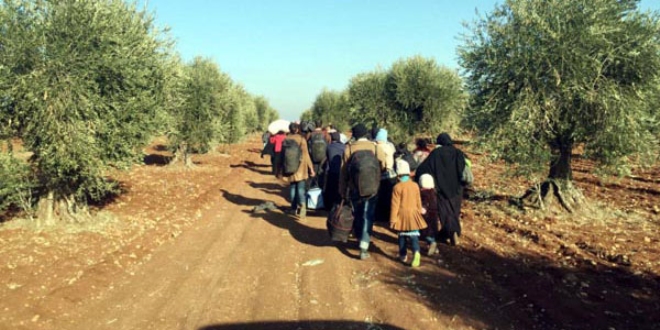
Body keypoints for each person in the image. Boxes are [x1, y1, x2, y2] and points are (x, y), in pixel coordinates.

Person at [339, 123, 387, 260]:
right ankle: (364, 244)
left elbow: (343, 172)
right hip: (372, 187)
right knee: (368, 214)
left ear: (354, 135)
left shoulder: (349, 148)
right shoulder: (375, 147)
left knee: (358, 212)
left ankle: (359, 236)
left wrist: (342, 189)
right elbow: (383, 164)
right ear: (366, 133)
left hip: (355, 187)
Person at [415, 133, 467, 246]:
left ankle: (450, 232)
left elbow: (424, 167)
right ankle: (453, 232)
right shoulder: (458, 153)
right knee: (454, 212)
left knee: (444, 211)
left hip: (441, 187)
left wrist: (419, 179)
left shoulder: (436, 153)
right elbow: (462, 169)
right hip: (457, 188)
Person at [390, 159, 427, 267]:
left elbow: (394, 205)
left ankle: (403, 255)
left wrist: (393, 219)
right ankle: (416, 252)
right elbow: (418, 200)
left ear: (398, 174)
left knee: (402, 236)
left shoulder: (397, 187)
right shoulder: (415, 185)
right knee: (414, 236)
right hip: (414, 214)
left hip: (402, 215)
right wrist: (420, 209)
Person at [284, 123, 315, 218]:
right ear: (297, 129)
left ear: (289, 130)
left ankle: (293, 209)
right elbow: (306, 155)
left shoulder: (286, 139)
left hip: (290, 167)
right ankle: (303, 208)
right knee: (301, 189)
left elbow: (282, 156)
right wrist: (311, 169)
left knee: (293, 188)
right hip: (301, 168)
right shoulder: (302, 139)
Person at [374, 128, 397, 223]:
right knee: (388, 197)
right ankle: (387, 216)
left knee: (379, 196)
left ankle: (378, 216)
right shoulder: (389, 146)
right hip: (390, 174)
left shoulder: (376, 146)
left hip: (379, 174)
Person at [419, 174, 440, 255]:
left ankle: (432, 243)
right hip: (434, 216)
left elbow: (424, 205)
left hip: (426, 217)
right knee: (432, 232)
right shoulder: (434, 193)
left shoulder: (423, 194)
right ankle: (434, 247)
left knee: (426, 234)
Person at [323, 131, 345, 209]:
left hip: (331, 171)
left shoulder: (329, 147)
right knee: (339, 189)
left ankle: (328, 206)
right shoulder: (344, 147)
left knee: (330, 188)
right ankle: (338, 205)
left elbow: (326, 157)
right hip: (341, 171)